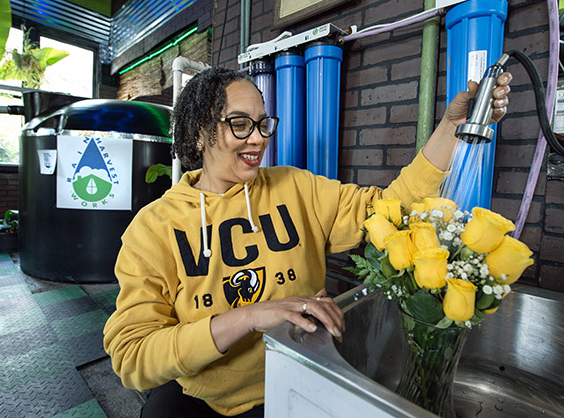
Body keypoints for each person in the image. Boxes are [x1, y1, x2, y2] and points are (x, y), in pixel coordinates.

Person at [103, 66, 512, 418]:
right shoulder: (153, 228)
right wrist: (250, 316)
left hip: (299, 379)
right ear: (199, 133)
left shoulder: (297, 188)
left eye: (264, 124)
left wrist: (450, 129)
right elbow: (132, 354)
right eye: (240, 124)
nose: (259, 139)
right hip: (202, 399)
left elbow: (389, 208)